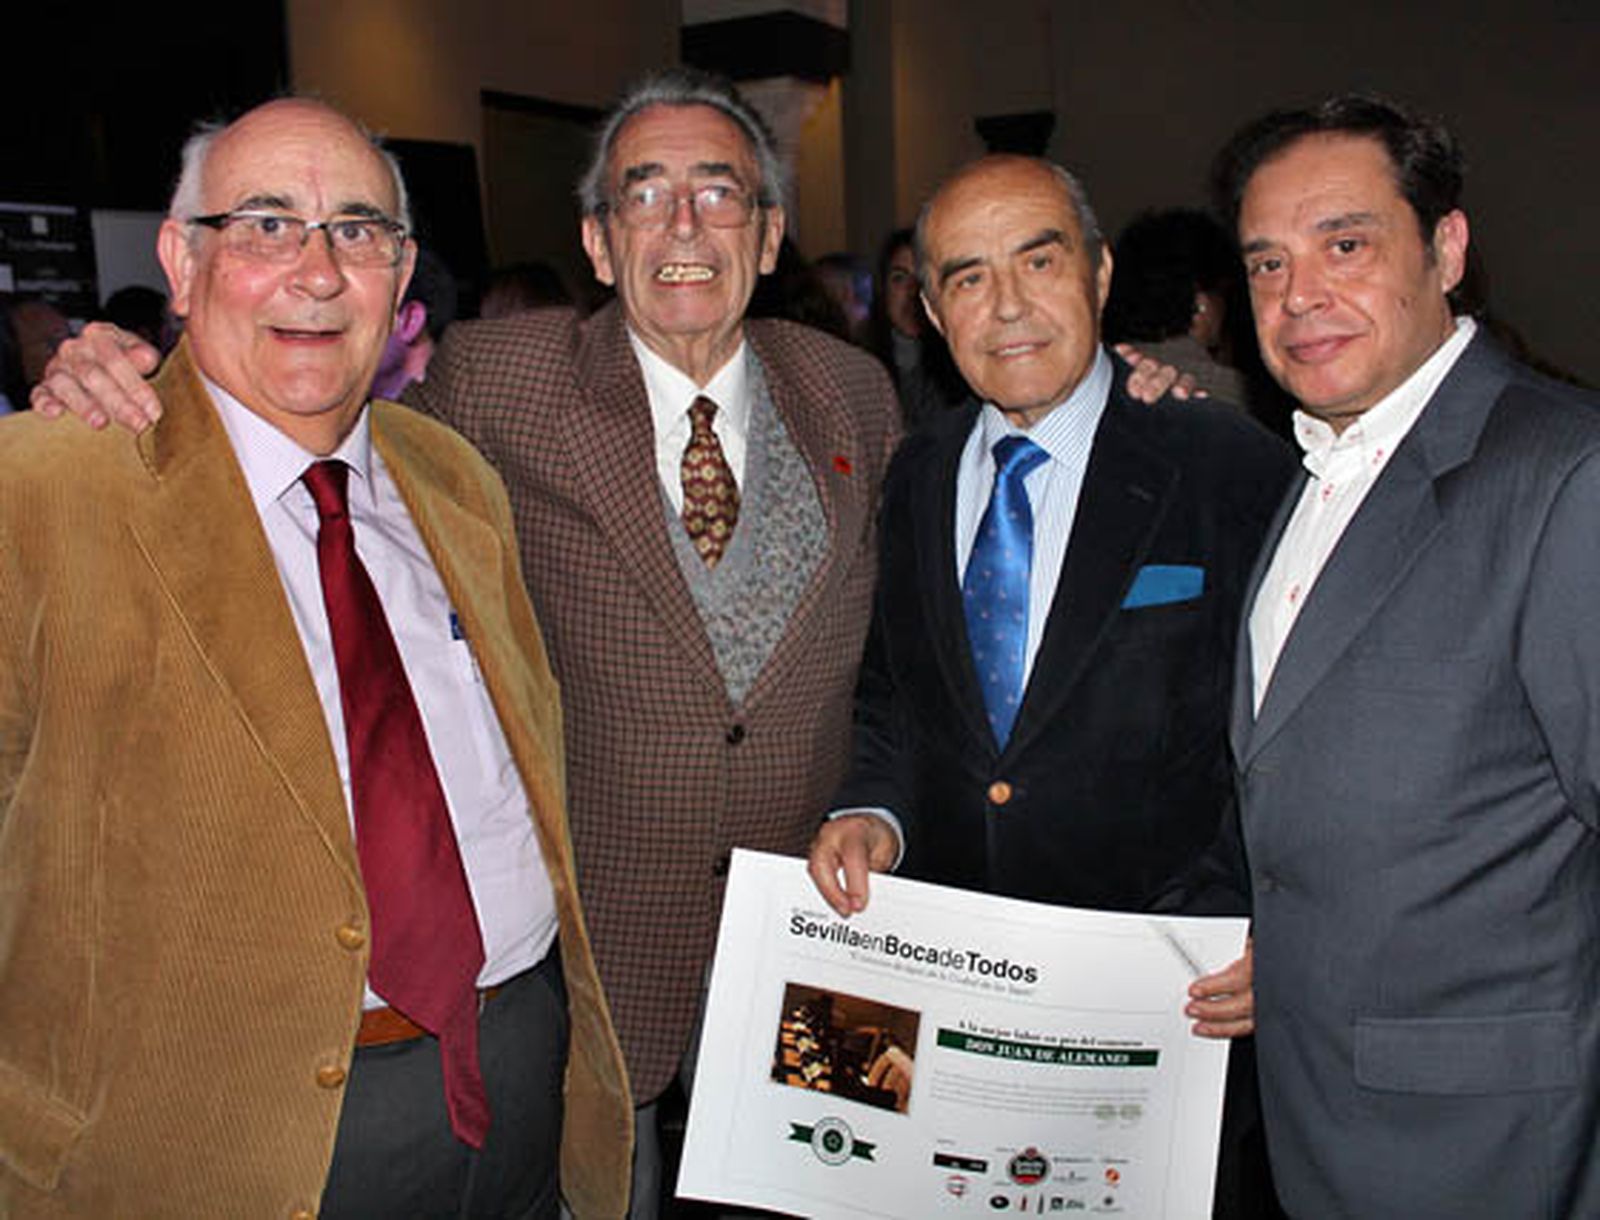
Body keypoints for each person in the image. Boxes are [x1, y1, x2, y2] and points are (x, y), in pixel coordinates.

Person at [0, 99, 630, 1218]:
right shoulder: (45, 489)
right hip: (227, 1143)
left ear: (401, 283)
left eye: (358, 230)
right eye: (265, 225)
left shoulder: (453, 477)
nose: (318, 270)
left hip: (521, 1081)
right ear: (179, 262)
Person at [807, 154, 1296, 1218]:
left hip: (1169, 1000)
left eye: (1040, 258)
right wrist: (869, 808)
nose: (1011, 304)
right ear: (931, 309)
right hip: (957, 1003)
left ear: (1101, 271)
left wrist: (1263, 917)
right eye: (970, 277)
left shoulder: (1229, 467)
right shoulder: (917, 471)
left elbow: (1296, 732)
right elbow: (895, 692)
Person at [1216, 95, 1600, 1218]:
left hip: (1490, 1140)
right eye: (1265, 265)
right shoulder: (1310, 470)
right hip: (1317, 1107)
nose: (1298, 298)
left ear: (1446, 248)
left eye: (1345, 244)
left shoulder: (1562, 476)